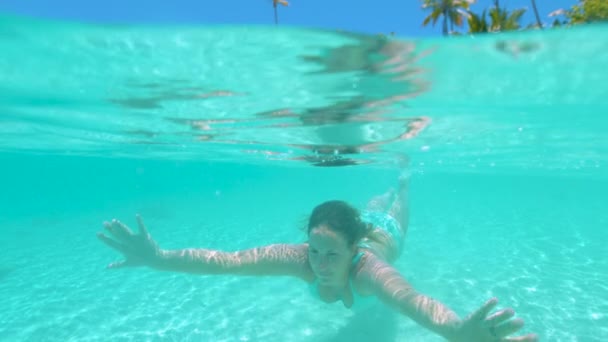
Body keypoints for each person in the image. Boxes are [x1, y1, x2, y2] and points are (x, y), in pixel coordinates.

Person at [97, 173, 537, 342]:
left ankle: (402, 185)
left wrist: (459, 330)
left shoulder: (370, 270)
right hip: (357, 223)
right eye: (314, 251)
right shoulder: (299, 259)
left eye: (331, 255)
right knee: (369, 204)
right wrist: (159, 257)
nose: (319, 264)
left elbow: (411, 301)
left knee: (394, 210)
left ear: (352, 252)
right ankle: (381, 195)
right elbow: (224, 261)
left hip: (386, 234)